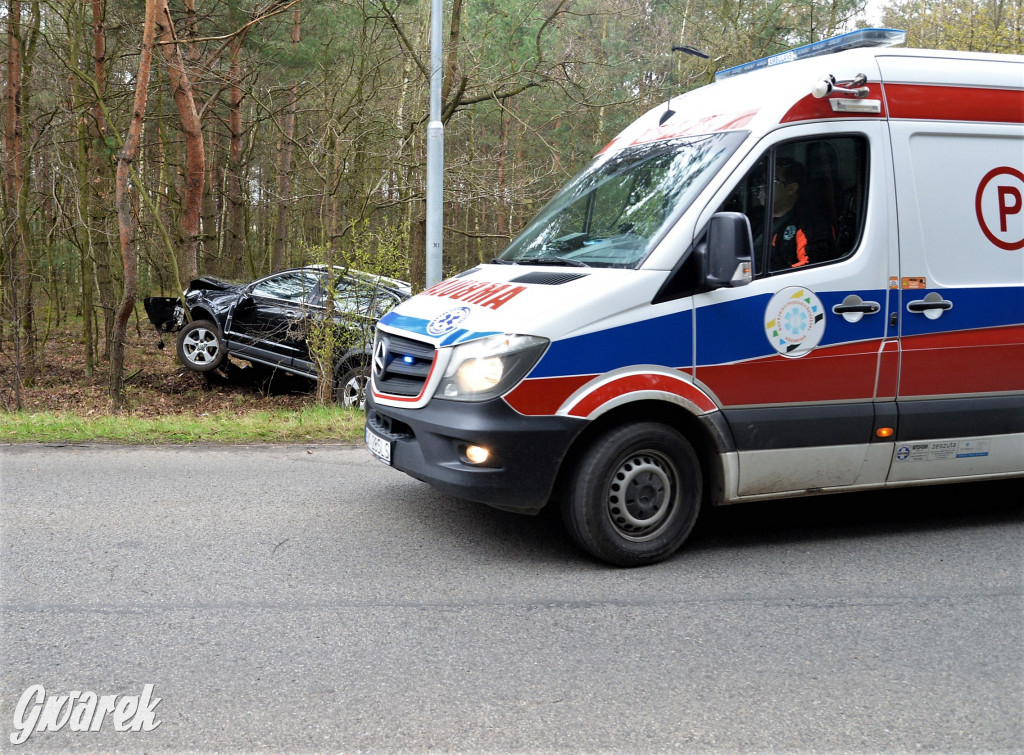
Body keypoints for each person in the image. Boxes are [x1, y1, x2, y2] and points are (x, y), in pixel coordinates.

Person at [769, 157, 834, 270]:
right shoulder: (755, 218)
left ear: (791, 188)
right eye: (762, 181)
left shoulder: (809, 222)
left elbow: (811, 265)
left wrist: (770, 278)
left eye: (773, 180)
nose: (762, 186)